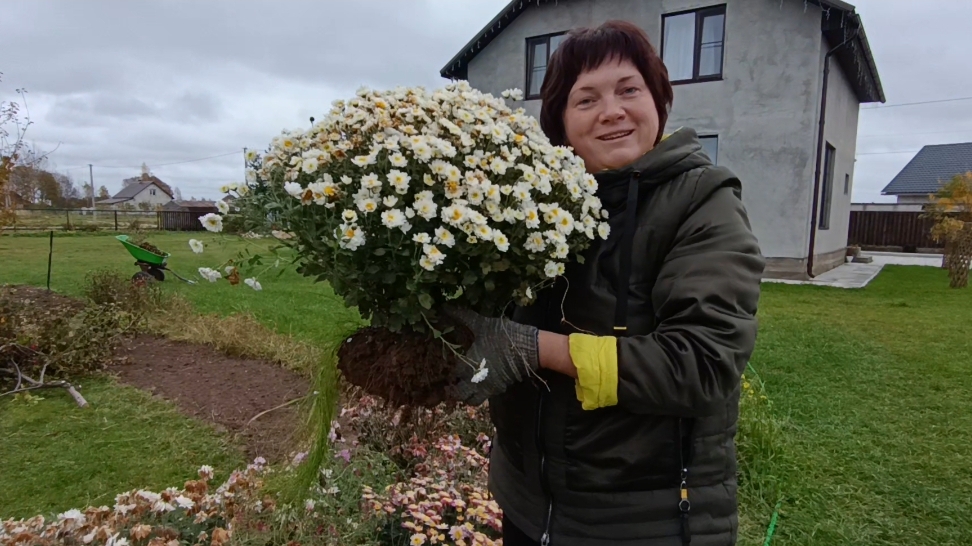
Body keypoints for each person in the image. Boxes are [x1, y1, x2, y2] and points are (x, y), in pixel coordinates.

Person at [445, 20, 765, 546]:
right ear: (561, 122)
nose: (612, 111)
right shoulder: (534, 205)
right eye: (586, 99)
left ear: (658, 100)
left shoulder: (702, 203)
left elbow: (703, 364)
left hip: (645, 522)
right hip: (526, 504)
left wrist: (534, 349)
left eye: (629, 90)